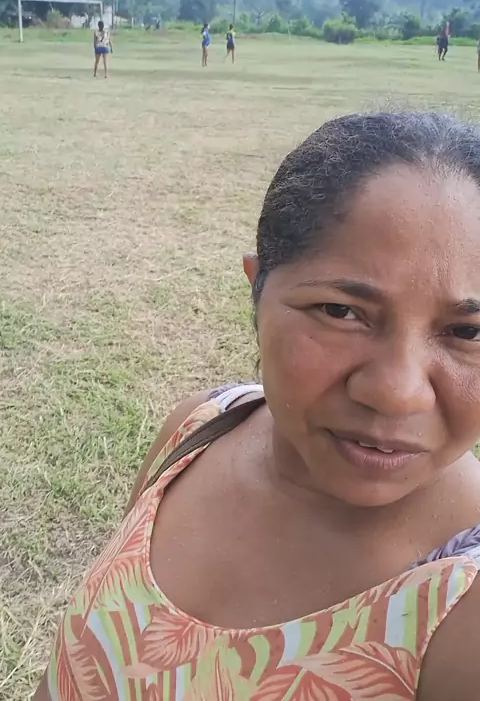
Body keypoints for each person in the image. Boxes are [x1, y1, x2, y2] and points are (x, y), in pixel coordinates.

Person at [34, 111, 480, 701]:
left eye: (468, 332)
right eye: (341, 312)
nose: (397, 392)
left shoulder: (463, 609)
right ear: (256, 288)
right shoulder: (198, 429)